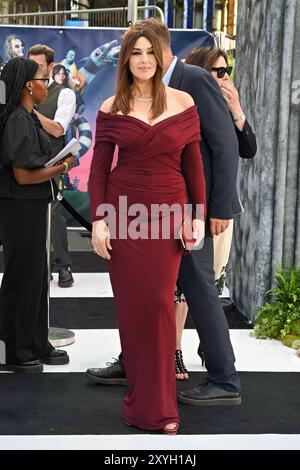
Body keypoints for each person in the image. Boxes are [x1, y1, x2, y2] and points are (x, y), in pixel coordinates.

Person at [87, 18, 242, 407]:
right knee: (144, 296)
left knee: (198, 291)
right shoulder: (118, 102)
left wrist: (212, 210)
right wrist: (102, 219)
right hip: (131, 213)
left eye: (150, 50)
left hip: (184, 209)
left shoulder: (193, 82)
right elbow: (102, 167)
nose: (145, 58)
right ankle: (135, 364)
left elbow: (222, 147)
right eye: (136, 51)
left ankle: (224, 379)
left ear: (163, 49)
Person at [174, 47, 257, 379]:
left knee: (210, 283)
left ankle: (210, 345)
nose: (223, 77)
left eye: (227, 71)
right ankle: (174, 349)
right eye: (216, 71)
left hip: (220, 211)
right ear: (198, 72)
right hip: (190, 208)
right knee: (182, 288)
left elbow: (245, 149)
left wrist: (236, 109)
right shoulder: (186, 102)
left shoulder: (222, 104)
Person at [0, 57, 75, 373]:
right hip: (20, 207)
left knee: (36, 279)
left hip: (31, 207)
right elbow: (23, 176)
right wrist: (63, 166)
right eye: (45, 79)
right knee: (22, 277)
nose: (50, 84)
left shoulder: (27, 116)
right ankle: (15, 348)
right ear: (29, 85)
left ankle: (35, 340)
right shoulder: (18, 119)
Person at [28, 44, 76, 288]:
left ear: (50, 67)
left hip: (52, 160)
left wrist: (31, 112)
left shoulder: (65, 94)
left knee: (53, 211)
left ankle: (63, 265)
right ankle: (39, 264)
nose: (35, 70)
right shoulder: (20, 91)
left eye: (39, 66)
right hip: (23, 160)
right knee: (27, 213)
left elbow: (59, 128)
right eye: (31, 65)